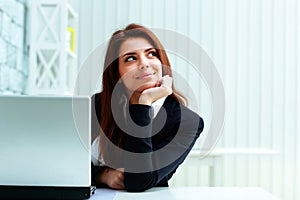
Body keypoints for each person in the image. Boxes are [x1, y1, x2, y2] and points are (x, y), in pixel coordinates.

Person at [91, 23, 204, 192]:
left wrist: (142, 104)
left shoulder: (187, 123)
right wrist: (102, 176)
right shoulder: (97, 105)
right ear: (118, 75)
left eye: (151, 54)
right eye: (130, 58)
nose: (144, 63)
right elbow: (64, 162)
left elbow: (139, 181)